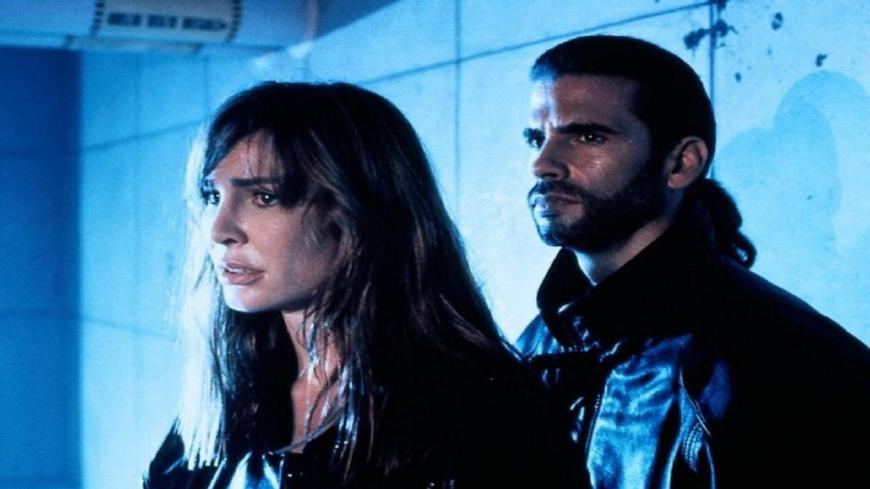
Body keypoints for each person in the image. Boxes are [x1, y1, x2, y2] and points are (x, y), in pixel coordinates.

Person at [144, 82, 577, 488]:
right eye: (212, 196)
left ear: (356, 212)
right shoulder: (226, 404)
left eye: (264, 197)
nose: (219, 230)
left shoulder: (487, 414)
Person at [516, 35, 870, 488]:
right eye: (536, 139)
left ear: (682, 163)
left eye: (588, 136)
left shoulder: (785, 367)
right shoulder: (535, 348)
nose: (543, 164)